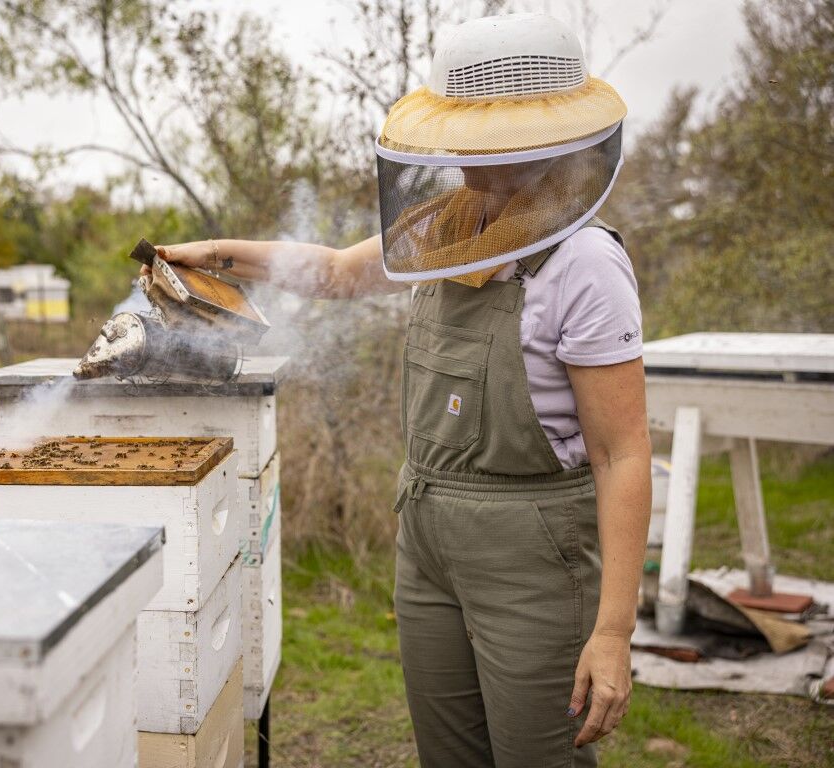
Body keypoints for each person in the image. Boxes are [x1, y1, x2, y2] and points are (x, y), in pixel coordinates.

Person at [150, 13, 651, 767]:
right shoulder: (453, 226)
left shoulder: (583, 264)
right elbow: (336, 272)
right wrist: (214, 255)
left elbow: (622, 453)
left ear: (549, 139)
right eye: (461, 133)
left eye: (485, 138)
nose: (463, 157)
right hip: (426, 541)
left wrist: (612, 632)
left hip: (532, 555)